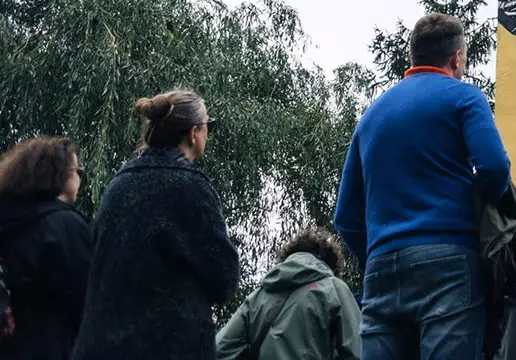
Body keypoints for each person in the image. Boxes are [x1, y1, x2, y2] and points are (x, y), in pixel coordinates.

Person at [334, 14, 512, 360]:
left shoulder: (372, 116)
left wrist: (377, 254)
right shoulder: (464, 97)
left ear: (413, 57)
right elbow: (493, 167)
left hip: (382, 270)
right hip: (449, 266)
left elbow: (345, 216)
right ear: (457, 57)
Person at [71, 90, 240, 360]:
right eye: (209, 125)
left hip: (103, 345)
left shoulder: (118, 186)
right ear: (194, 133)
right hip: (168, 345)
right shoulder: (192, 188)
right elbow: (224, 277)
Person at [0, 136, 92, 360]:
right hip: (53, 348)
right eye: (78, 169)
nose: (80, 176)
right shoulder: (65, 225)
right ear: (60, 174)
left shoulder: (8, 221)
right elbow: (86, 300)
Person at [216, 226, 361, 360]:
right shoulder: (335, 288)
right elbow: (358, 350)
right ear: (331, 264)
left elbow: (220, 349)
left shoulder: (257, 297)